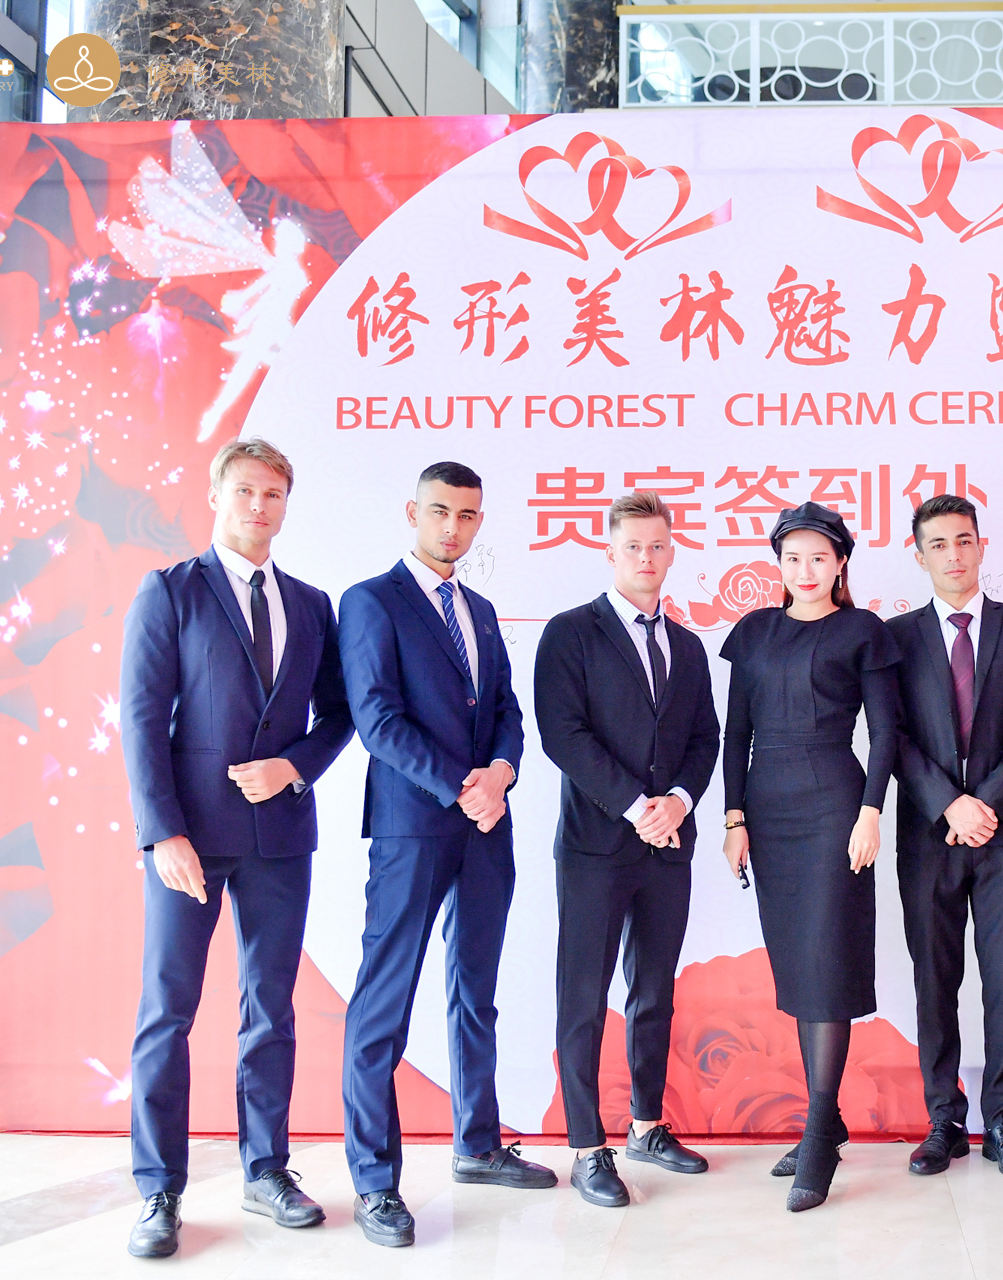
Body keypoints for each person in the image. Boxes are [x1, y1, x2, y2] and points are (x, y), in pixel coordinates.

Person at [119, 438, 354, 1259]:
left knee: (270, 1009)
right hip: (190, 836)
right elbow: (142, 719)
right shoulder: (171, 590)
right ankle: (159, 1190)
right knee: (167, 1012)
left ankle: (266, 1170)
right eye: (246, 491)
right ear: (217, 495)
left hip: (280, 836)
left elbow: (340, 714)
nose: (260, 506)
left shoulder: (312, 605)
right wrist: (162, 832)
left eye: (274, 494)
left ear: (287, 505)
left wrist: (295, 766)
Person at [337, 461, 552, 1249]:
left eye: (466, 515)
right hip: (413, 827)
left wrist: (501, 772)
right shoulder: (371, 601)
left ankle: (478, 1144)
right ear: (413, 512)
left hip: (486, 826)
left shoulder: (481, 610)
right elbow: (376, 717)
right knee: (383, 1003)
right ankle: (374, 1182)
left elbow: (506, 712)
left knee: (476, 992)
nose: (453, 527)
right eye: (440, 511)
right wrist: (460, 785)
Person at [534, 491, 721, 1207]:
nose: (647, 557)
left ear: (672, 551)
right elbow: (562, 733)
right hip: (595, 845)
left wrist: (678, 799)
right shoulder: (570, 633)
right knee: (583, 996)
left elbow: (705, 737)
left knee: (654, 991)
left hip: (668, 846)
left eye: (658, 545)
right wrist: (637, 805)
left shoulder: (688, 645)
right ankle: (588, 1147)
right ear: (610, 552)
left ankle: (646, 1125)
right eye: (633, 546)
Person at [719, 502, 902, 1212]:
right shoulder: (753, 632)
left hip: (835, 807)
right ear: (778, 563)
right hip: (769, 811)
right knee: (798, 966)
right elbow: (736, 734)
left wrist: (871, 812)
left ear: (840, 563)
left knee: (828, 963)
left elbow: (885, 733)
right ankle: (826, 1116)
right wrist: (734, 817)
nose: (805, 570)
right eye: (793, 558)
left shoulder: (863, 632)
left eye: (819, 558)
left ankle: (820, 1132)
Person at [887, 494, 1003, 1181]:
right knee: (935, 979)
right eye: (939, 544)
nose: (953, 555)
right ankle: (943, 1119)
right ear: (919, 555)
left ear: (982, 546)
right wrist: (948, 804)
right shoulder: (895, 637)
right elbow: (892, 735)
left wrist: (984, 802)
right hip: (929, 833)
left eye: (964, 541)